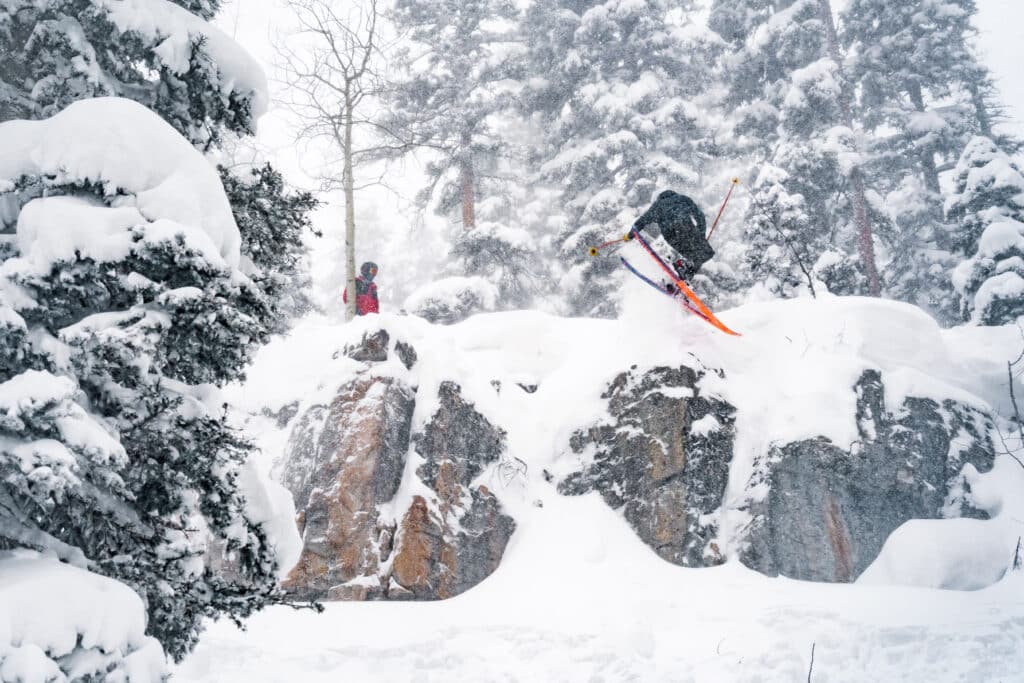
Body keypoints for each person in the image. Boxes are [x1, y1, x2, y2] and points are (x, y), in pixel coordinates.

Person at [631, 190, 713, 282]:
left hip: (671, 235)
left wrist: (631, 233)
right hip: (688, 229)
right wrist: (701, 233)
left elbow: (642, 220)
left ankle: (683, 270)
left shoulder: (657, 206)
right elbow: (699, 215)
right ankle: (685, 271)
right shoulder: (683, 199)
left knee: (689, 254)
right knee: (702, 255)